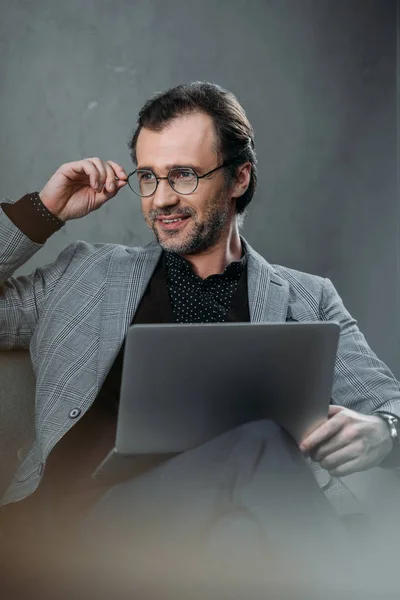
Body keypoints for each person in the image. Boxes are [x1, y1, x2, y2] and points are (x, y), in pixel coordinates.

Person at [0, 82, 399, 589]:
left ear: (239, 177)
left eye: (183, 176)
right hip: (70, 528)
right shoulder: (85, 273)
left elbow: (389, 401)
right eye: (148, 177)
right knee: (258, 445)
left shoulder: (307, 298)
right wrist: (42, 211)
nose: (161, 198)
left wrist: (386, 431)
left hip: (208, 536)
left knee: (236, 539)